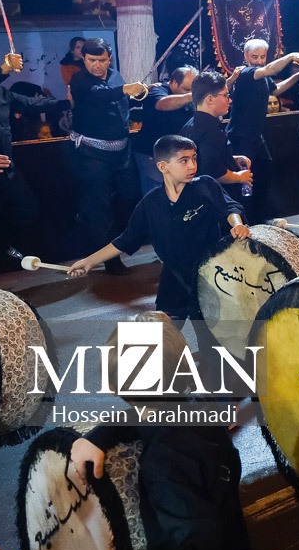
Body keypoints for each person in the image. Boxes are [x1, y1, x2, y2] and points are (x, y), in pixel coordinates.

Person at [35, 316, 256, 550]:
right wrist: (101, 435)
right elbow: (148, 414)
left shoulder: (165, 464)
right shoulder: (200, 405)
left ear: (113, 387)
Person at [68, 135, 250, 352]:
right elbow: (125, 240)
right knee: (159, 345)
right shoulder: (150, 203)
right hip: (173, 282)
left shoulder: (206, 186)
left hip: (209, 281)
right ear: (163, 166)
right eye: (183, 160)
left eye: (194, 158)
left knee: (212, 351)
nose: (192, 165)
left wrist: (237, 224)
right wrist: (89, 262)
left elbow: (230, 208)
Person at [68, 38, 147, 276]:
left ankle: (118, 241)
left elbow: (122, 103)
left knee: (130, 197)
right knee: (99, 207)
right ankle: (109, 260)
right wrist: (125, 89)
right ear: (83, 59)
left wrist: (138, 93)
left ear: (109, 59)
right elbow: (99, 95)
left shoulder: (115, 76)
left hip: (122, 150)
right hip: (92, 152)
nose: (97, 65)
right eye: (92, 60)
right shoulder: (79, 80)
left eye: (102, 60)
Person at [0, 50, 43, 284]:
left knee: (27, 210)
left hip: (6, 172)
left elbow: (33, 103)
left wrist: (71, 101)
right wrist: (5, 69)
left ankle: (0, 243)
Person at [226, 40, 299, 223]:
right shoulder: (246, 73)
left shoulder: (263, 76)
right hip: (240, 136)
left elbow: (276, 90)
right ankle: (245, 220)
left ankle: (257, 217)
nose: (258, 61)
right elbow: (268, 70)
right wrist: (291, 56)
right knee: (245, 182)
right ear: (246, 56)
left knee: (265, 170)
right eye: (254, 57)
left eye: (262, 57)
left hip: (256, 137)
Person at [181, 72, 253, 199]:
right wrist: (239, 177)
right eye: (225, 95)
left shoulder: (190, 124)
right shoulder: (210, 132)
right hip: (216, 198)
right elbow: (213, 172)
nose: (229, 100)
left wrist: (231, 159)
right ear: (209, 99)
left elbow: (204, 159)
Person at [133, 66, 196, 195]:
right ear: (174, 82)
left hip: (176, 155)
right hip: (152, 154)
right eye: (186, 89)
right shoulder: (156, 90)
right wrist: (191, 96)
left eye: (193, 89)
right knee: (157, 193)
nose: (190, 92)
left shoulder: (188, 96)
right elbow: (162, 104)